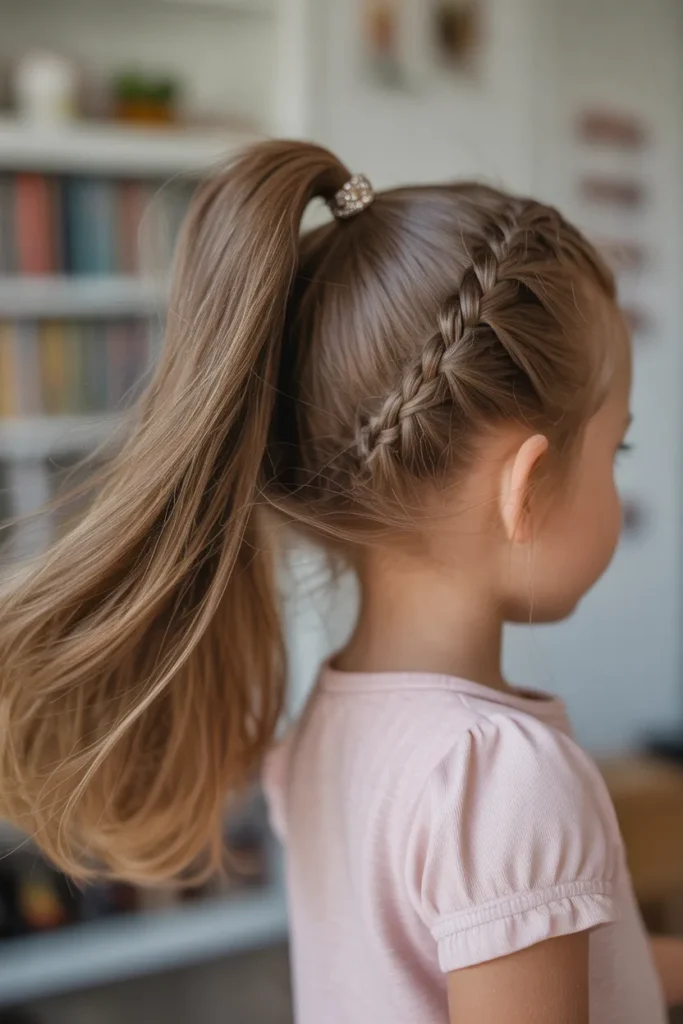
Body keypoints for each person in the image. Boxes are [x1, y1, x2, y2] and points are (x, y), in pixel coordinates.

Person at [0, 140, 681, 1022]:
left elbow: (589, 963)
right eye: (615, 448)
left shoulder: (333, 722)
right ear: (525, 485)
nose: (619, 479)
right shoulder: (503, 778)